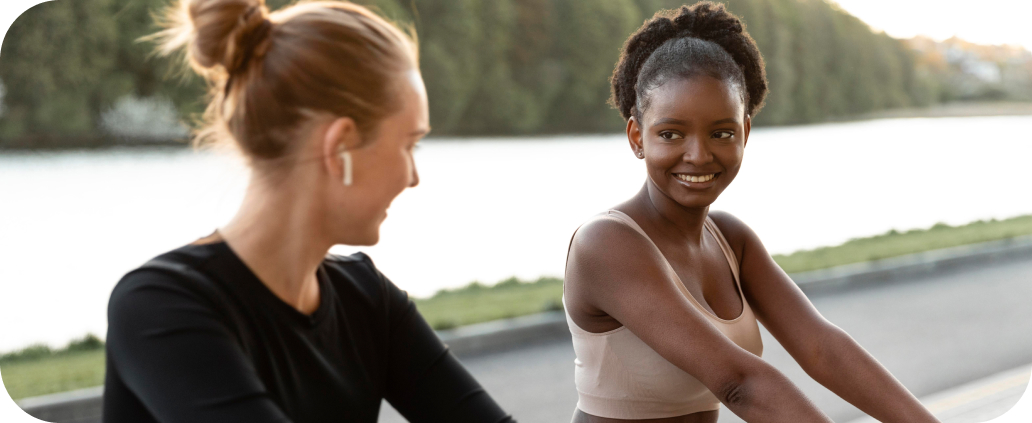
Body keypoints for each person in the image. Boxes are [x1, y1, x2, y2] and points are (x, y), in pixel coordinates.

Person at [102, 1, 515, 422]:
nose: (413, 177)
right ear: (341, 146)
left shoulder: (366, 298)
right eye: (409, 144)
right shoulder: (160, 309)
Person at [562, 3, 940, 423]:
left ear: (745, 132)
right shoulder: (607, 244)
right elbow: (741, 384)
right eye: (670, 133)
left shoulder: (730, 239)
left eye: (721, 133)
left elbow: (822, 348)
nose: (698, 155)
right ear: (637, 137)